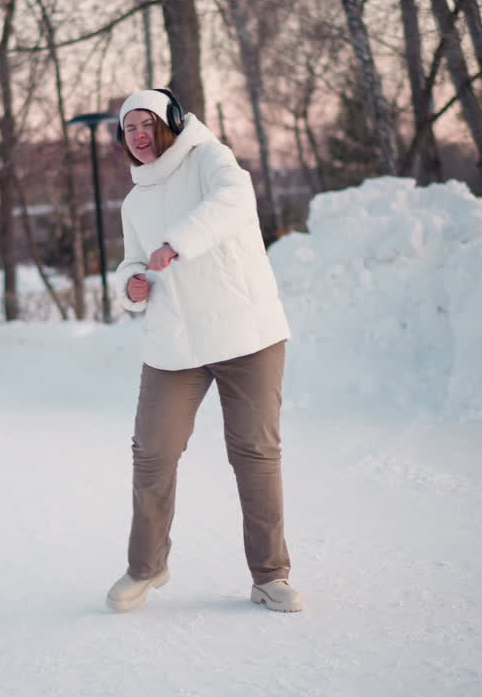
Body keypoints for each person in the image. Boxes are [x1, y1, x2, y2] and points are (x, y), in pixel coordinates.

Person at [104, 89, 305, 613]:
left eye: (147, 124)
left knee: (255, 454)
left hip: (245, 335)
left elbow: (235, 201)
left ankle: (270, 575)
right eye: (129, 129)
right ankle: (146, 567)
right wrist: (130, 286)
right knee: (152, 453)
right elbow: (130, 261)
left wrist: (177, 242)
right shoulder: (135, 200)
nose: (139, 136)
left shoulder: (208, 158)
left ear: (171, 122)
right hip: (174, 344)